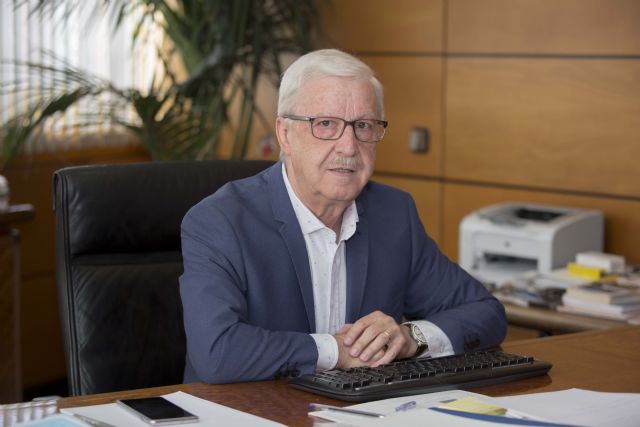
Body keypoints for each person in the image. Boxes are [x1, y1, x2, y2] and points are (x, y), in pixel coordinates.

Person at [179, 49, 507, 384]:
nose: (349, 146)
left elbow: (486, 312)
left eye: (363, 126)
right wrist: (337, 351)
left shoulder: (392, 213)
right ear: (285, 134)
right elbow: (216, 353)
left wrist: (412, 339)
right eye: (325, 124)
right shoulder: (220, 221)